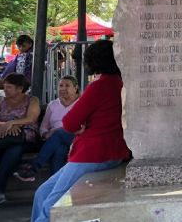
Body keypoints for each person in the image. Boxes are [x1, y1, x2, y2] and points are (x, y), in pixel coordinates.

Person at [31, 40, 130, 222]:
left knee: (50, 206)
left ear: (93, 61)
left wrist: (80, 126)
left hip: (91, 154)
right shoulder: (122, 84)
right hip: (115, 152)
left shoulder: (98, 86)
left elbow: (69, 123)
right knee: (42, 193)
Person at [0, 73, 40, 207]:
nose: (5, 90)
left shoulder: (32, 100)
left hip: (22, 138)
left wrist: (13, 123)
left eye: (9, 87)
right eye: (5, 87)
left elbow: (31, 118)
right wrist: (7, 126)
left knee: (13, 152)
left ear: (20, 89)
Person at [15, 76, 80, 181]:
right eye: (60, 86)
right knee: (59, 150)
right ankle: (55, 187)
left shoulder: (82, 103)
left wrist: (56, 131)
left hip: (75, 138)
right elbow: (44, 126)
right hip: (56, 140)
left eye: (67, 85)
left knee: (59, 132)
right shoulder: (53, 105)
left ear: (75, 88)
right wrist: (45, 134)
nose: (63, 88)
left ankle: (34, 168)